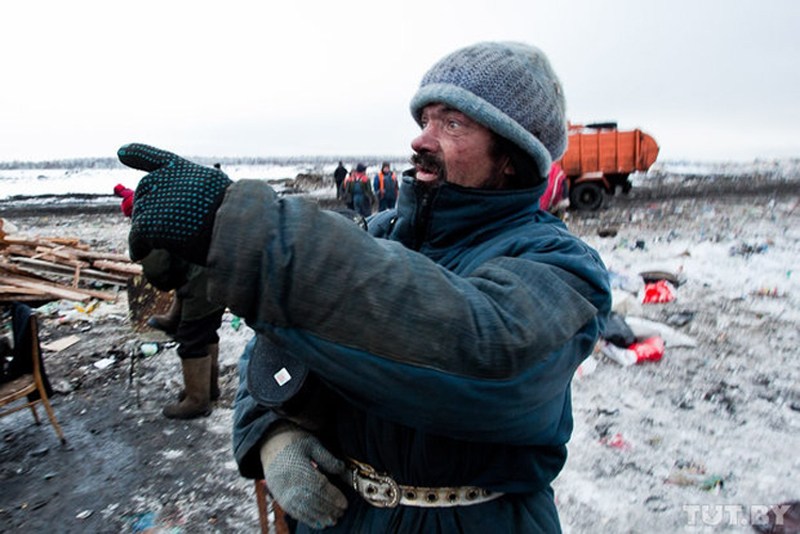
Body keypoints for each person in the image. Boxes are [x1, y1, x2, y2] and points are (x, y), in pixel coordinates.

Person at [117, 40, 611, 532]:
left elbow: (485, 353)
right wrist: (272, 430)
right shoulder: (380, 233)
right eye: (425, 121)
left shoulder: (563, 265)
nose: (421, 139)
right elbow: (275, 343)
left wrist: (250, 237)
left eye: (453, 123)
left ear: (512, 156)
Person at [113, 184, 226, 420]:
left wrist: (164, 277)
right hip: (218, 279)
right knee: (207, 332)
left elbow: (159, 271)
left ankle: (197, 401)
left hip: (202, 285)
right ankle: (208, 389)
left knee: (190, 339)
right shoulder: (176, 213)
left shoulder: (153, 229)